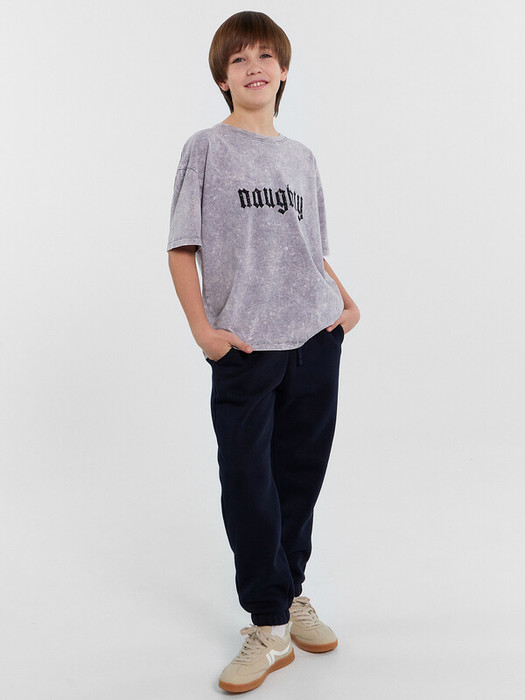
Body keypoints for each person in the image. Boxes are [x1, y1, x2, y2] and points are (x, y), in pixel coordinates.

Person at [167, 10, 360, 694]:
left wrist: (346, 305)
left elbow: (312, 249)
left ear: (282, 70)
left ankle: (290, 593)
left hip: (314, 338)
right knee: (249, 484)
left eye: (265, 56)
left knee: (299, 477)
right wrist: (203, 331)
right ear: (223, 78)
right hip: (245, 347)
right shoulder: (206, 149)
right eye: (239, 58)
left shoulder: (300, 158)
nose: (254, 67)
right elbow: (181, 247)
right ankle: (267, 623)